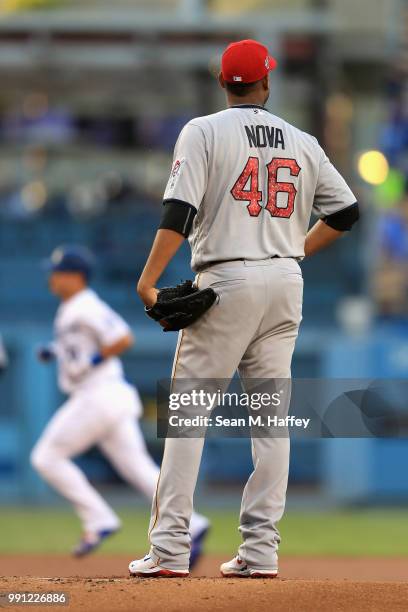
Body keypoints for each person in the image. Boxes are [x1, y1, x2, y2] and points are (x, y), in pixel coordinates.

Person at [129, 39, 359, 578]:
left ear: (222, 83)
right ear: (266, 82)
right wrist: (293, 249)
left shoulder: (203, 130)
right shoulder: (301, 141)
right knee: (269, 418)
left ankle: (168, 550)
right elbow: (347, 211)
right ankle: (260, 552)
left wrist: (148, 280)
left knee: (187, 415)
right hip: (285, 280)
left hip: (227, 276)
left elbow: (178, 210)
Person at [31, 245, 209, 562]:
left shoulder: (85, 305)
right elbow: (78, 349)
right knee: (139, 470)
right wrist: (54, 351)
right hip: (107, 398)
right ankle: (191, 524)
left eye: (57, 273)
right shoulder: (72, 307)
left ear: (74, 276)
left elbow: (123, 337)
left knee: (46, 457)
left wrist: (94, 358)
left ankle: (98, 518)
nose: (52, 278)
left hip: (98, 396)